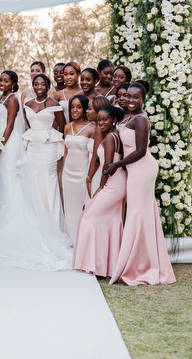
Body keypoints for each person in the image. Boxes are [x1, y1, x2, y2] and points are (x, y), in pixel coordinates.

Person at [0, 71, 73, 270]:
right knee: (6, 181)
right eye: (0, 80)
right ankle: (5, 221)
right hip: (12, 143)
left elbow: (11, 126)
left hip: (10, 144)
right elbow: (24, 125)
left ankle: (19, 224)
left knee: (14, 181)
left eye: (6, 80)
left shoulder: (13, 99)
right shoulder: (18, 101)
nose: (2, 83)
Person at [104, 82, 176, 285]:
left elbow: (141, 151)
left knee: (138, 214)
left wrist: (117, 164)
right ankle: (141, 261)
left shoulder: (141, 120)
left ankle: (138, 266)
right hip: (134, 169)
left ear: (143, 99)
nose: (132, 100)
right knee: (141, 214)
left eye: (136, 97)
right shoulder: (129, 117)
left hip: (142, 169)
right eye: (129, 96)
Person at [73, 105, 127, 277]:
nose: (101, 122)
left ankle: (96, 264)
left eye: (105, 119)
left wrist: (100, 187)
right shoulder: (113, 135)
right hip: (117, 181)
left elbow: (107, 166)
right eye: (99, 120)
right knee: (108, 222)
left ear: (114, 120)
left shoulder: (111, 137)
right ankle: (106, 266)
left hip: (113, 183)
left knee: (88, 217)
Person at [23, 74, 65, 226]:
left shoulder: (54, 104)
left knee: (48, 180)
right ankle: (34, 221)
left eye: (42, 84)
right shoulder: (27, 104)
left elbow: (62, 126)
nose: (39, 87)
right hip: (32, 147)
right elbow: (28, 124)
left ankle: (51, 222)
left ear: (48, 86)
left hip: (48, 147)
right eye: (36, 84)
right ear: (33, 86)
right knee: (32, 180)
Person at [62, 94, 95, 242]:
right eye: (72, 107)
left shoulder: (92, 128)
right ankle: (70, 239)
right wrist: (62, 173)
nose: (75, 110)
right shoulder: (67, 126)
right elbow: (65, 152)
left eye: (79, 107)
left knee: (83, 206)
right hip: (68, 172)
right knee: (69, 208)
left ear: (85, 108)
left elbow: (93, 154)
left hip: (82, 172)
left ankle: (82, 241)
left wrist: (89, 177)